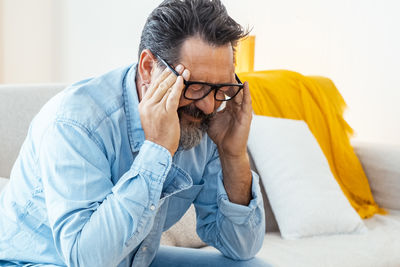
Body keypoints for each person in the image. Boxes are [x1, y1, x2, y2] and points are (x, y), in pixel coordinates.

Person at [0, 0, 268, 266]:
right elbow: (88, 259)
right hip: (38, 261)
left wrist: (233, 155)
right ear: (148, 67)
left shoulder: (204, 119)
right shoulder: (76, 123)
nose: (209, 105)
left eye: (220, 87)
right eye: (194, 86)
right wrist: (157, 150)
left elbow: (241, 247)